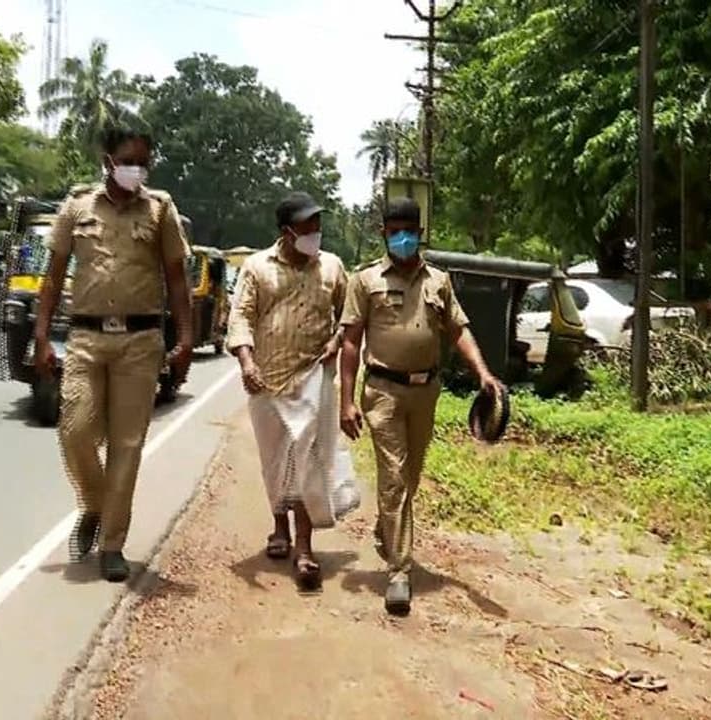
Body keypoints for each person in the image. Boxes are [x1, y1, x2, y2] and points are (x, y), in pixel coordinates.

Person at [33, 125, 194, 583]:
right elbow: (52, 275)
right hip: (85, 338)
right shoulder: (76, 207)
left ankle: (112, 544)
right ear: (108, 162)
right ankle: (95, 503)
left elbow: (177, 279)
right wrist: (42, 338)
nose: (137, 169)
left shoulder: (161, 210)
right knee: (76, 429)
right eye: (129, 160)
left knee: (127, 444)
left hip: (141, 343)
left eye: (144, 162)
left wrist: (184, 339)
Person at [338, 197, 505, 615]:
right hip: (382, 392)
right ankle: (399, 570)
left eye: (408, 230)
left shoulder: (440, 282)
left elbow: (459, 330)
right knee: (393, 476)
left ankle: (387, 528)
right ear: (384, 233)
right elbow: (350, 342)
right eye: (394, 231)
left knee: (410, 474)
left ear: (420, 233)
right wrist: (345, 400)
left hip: (426, 391)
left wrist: (483, 374)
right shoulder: (366, 280)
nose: (402, 238)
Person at [226, 191, 355, 590]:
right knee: (275, 462)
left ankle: (304, 546)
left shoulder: (332, 267)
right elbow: (241, 315)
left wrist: (337, 341)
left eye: (318, 225)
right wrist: (247, 362)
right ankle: (278, 528)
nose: (315, 232)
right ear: (286, 231)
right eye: (306, 226)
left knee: (306, 463)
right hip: (266, 379)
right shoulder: (256, 267)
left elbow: (349, 315)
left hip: (313, 377)